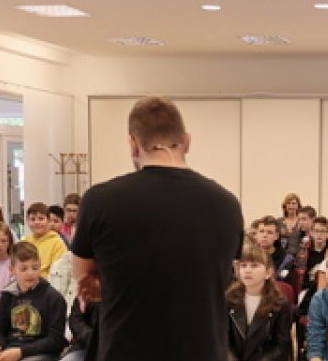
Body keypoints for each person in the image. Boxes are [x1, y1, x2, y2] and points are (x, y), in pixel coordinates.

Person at [72, 96, 243, 361]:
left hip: (126, 350)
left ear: (133, 144)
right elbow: (222, 274)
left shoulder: (100, 201)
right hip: (203, 350)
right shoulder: (227, 204)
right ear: (187, 141)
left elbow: (84, 278)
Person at [0, 242, 67, 361]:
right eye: (23, 269)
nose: (30, 273)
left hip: (39, 353)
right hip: (10, 349)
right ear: (12, 270)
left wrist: (21, 352)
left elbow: (55, 340)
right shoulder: (7, 295)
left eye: (35, 268)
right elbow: (0, 331)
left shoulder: (54, 298)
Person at [227, 243, 292, 361]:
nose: (247, 270)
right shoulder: (228, 299)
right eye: (243, 265)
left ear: (268, 273)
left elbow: (281, 347)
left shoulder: (280, 304)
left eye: (254, 266)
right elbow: (223, 341)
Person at [21, 203, 67, 278]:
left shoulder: (58, 243)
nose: (37, 222)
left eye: (41, 219)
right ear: (27, 221)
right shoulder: (24, 242)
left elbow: (58, 274)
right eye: (32, 219)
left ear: (48, 221)